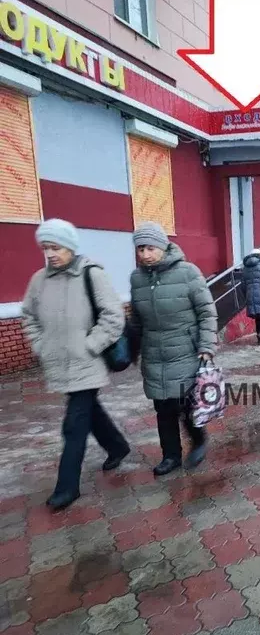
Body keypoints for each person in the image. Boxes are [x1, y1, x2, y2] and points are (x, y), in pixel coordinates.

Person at [21, 219, 130, 511]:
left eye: (56, 247)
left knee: (74, 424)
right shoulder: (39, 280)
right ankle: (118, 446)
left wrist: (90, 345)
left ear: (70, 247)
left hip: (87, 362)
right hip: (58, 363)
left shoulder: (91, 275)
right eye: (46, 248)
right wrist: (40, 345)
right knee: (89, 412)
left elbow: (113, 316)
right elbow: (28, 316)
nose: (50, 254)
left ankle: (67, 488)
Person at [130, 222, 218, 476]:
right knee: (162, 407)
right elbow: (136, 319)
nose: (144, 254)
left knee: (185, 404)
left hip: (186, 350)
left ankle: (198, 440)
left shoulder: (188, 273)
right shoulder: (137, 279)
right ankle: (170, 456)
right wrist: (132, 349)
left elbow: (206, 312)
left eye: (149, 248)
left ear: (162, 246)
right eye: (140, 249)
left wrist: (207, 346)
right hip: (154, 352)